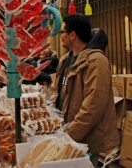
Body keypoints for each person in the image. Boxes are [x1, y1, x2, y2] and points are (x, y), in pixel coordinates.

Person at [55, 14, 119, 166]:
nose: (60, 36)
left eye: (62, 32)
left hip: (87, 137)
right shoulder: (65, 60)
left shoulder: (96, 61)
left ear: (72, 35)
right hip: (66, 132)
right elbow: (59, 91)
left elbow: (93, 105)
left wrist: (70, 134)